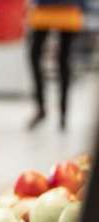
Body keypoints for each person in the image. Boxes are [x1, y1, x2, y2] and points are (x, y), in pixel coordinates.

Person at [27, 0, 84, 130]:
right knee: (63, 60)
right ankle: (61, 113)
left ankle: (44, 109)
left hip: (49, 8)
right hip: (64, 8)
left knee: (38, 56)